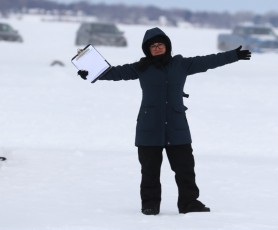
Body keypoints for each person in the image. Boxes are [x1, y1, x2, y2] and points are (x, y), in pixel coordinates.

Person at [77, 27, 251, 215]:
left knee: (185, 169)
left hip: (177, 127)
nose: (157, 48)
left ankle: (189, 203)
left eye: (160, 44)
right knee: (150, 171)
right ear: (147, 50)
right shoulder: (141, 67)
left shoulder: (181, 64)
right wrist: (91, 71)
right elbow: (114, 73)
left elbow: (208, 61)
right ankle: (150, 205)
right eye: (153, 46)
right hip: (149, 127)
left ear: (167, 46)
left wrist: (234, 55)